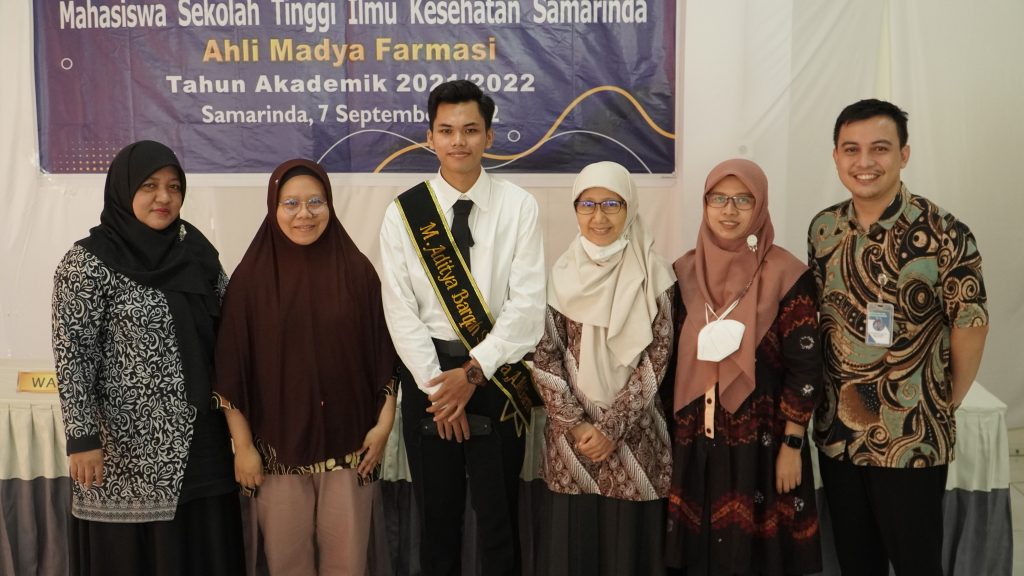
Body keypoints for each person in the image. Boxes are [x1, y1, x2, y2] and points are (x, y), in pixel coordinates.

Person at [808, 99, 989, 575]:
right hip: (839, 436)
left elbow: (970, 323)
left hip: (912, 438)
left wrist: (945, 399)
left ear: (904, 154)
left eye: (880, 148)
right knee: (856, 562)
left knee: (916, 564)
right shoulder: (824, 230)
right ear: (836, 156)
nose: (864, 161)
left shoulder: (945, 232)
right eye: (851, 149)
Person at [51, 140, 245, 575]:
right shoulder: (87, 263)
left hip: (203, 440)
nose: (164, 197)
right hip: (126, 451)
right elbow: (73, 356)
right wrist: (82, 440)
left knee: (203, 550)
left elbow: (232, 327)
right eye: (149, 186)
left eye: (174, 187)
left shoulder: (195, 250)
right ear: (123, 190)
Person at [378, 79, 546, 575]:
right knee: (437, 524)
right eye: (447, 130)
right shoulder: (404, 213)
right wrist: (441, 390)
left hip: (495, 375)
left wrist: (473, 373)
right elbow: (400, 310)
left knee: (500, 524)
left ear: (489, 137)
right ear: (429, 137)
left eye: (471, 130)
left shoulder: (520, 206)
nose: (458, 141)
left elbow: (527, 306)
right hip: (429, 378)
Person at [213, 159, 398, 576]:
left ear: (329, 205)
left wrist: (384, 426)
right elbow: (231, 369)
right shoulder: (250, 282)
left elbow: (384, 357)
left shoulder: (358, 273)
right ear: (273, 207)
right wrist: (243, 447)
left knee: (348, 564)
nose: (304, 214)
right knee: (287, 564)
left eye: (316, 202)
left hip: (353, 450)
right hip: (276, 454)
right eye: (291, 203)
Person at [666, 159, 823, 576]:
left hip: (763, 447)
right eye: (718, 198)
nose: (729, 210)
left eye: (743, 199)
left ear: (761, 205)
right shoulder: (682, 273)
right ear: (705, 205)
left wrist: (792, 445)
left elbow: (806, 368)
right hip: (695, 445)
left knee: (756, 560)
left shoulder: (787, 274)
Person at [531, 161, 676, 575]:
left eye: (612, 204)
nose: (599, 217)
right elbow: (544, 356)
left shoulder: (656, 274)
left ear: (630, 206)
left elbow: (657, 360)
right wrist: (578, 426)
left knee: (629, 553)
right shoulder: (559, 275)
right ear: (575, 209)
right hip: (572, 444)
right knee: (573, 550)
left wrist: (611, 428)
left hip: (636, 438)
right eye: (588, 204)